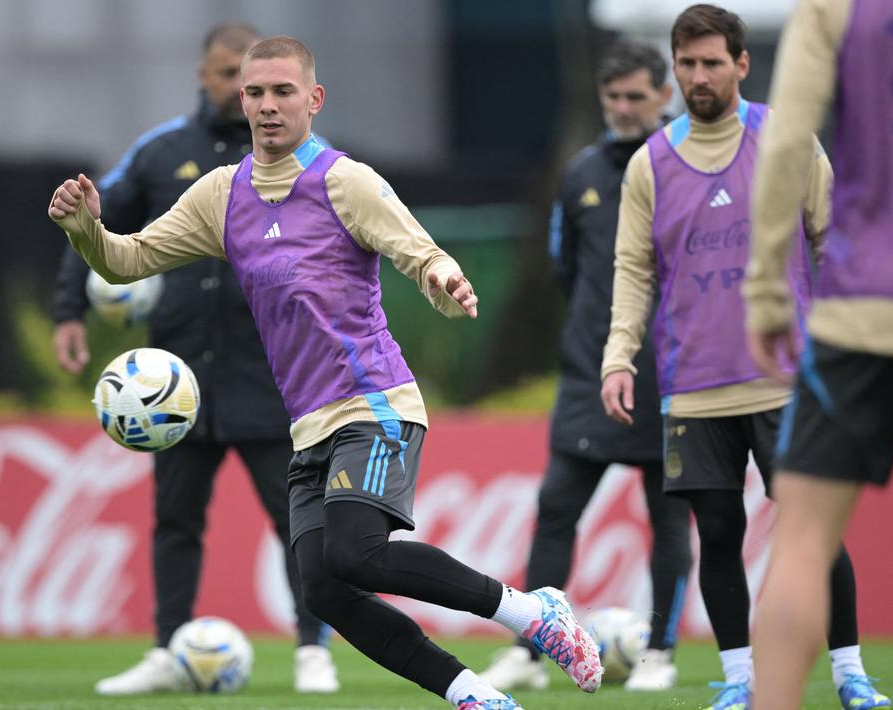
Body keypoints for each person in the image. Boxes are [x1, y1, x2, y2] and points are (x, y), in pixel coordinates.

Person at [49, 35, 603, 710]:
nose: (266, 106)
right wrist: (84, 231)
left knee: (356, 553)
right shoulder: (221, 195)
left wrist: (443, 279)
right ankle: (473, 694)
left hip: (374, 403)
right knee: (323, 588)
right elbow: (126, 261)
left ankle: (528, 610)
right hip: (308, 425)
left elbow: (417, 251)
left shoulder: (345, 181)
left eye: (283, 92)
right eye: (255, 92)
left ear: (313, 100)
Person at [598, 5, 887, 709]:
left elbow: (832, 238)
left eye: (710, 63)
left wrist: (843, 341)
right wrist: (616, 356)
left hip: (788, 380)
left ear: (740, 64)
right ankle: (738, 684)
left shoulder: (785, 139)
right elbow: (633, 270)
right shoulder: (650, 164)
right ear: (675, 70)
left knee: (807, 526)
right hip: (692, 387)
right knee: (718, 533)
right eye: (686, 64)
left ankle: (850, 673)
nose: (698, 76)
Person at [50, 22, 338, 696]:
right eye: (227, 75)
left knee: (296, 519)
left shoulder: (306, 161)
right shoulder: (159, 153)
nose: (247, 91)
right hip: (173, 382)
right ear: (209, 79)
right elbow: (93, 226)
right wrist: (70, 309)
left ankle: (311, 647)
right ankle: (163, 647)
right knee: (175, 520)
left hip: (272, 374)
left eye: (260, 79)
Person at [743, 0, 893, 707]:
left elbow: (784, 142)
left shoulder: (834, 5)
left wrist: (767, 289)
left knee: (800, 539)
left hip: (866, 307)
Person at [480, 39, 691, 694]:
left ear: (664, 96)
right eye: (613, 98)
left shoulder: (689, 166)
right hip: (588, 374)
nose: (624, 109)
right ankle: (530, 651)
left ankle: (657, 652)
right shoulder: (579, 174)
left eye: (636, 96)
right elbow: (566, 268)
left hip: (671, 377)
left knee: (668, 517)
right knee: (554, 510)